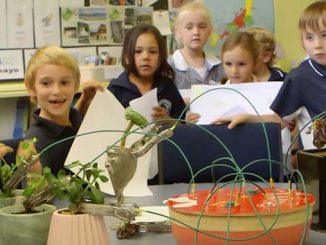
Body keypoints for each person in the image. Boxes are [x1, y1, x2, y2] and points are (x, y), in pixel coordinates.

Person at [214, 0, 326, 155]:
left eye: (324, 35)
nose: (318, 44)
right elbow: (279, 120)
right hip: (319, 166)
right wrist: (248, 119)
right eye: (309, 37)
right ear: (302, 41)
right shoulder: (299, 78)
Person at [23, 46, 104, 175]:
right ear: (31, 88)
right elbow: (35, 193)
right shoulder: (34, 143)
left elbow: (74, 123)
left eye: (64, 82)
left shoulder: (73, 117)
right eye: (46, 83)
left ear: (76, 84)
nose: (57, 91)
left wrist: (85, 98)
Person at [107, 24, 186, 124]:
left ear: (161, 57)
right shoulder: (115, 89)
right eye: (138, 51)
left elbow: (183, 126)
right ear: (127, 57)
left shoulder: (168, 87)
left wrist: (169, 121)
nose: (146, 57)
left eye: (152, 52)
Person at [168, 1, 224, 89]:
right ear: (178, 31)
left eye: (202, 27)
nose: (196, 32)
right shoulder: (169, 66)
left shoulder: (218, 65)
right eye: (189, 27)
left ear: (210, 30)